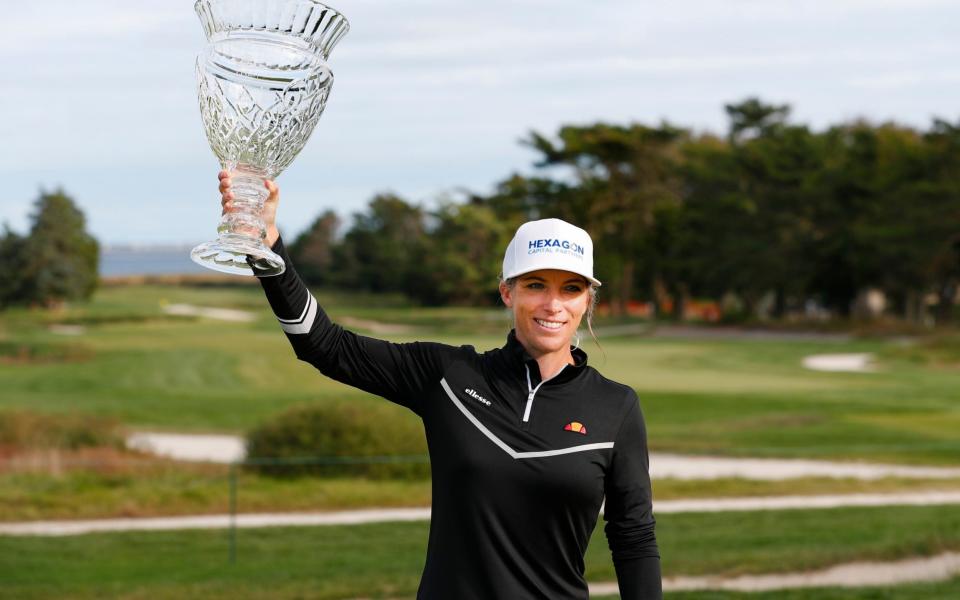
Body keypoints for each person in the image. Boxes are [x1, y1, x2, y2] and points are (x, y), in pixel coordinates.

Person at [219, 172, 662, 599]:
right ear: (508, 292)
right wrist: (267, 247)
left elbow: (633, 537)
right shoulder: (448, 375)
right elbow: (324, 345)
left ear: (587, 301)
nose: (552, 304)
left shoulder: (615, 407)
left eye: (570, 289)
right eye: (535, 285)